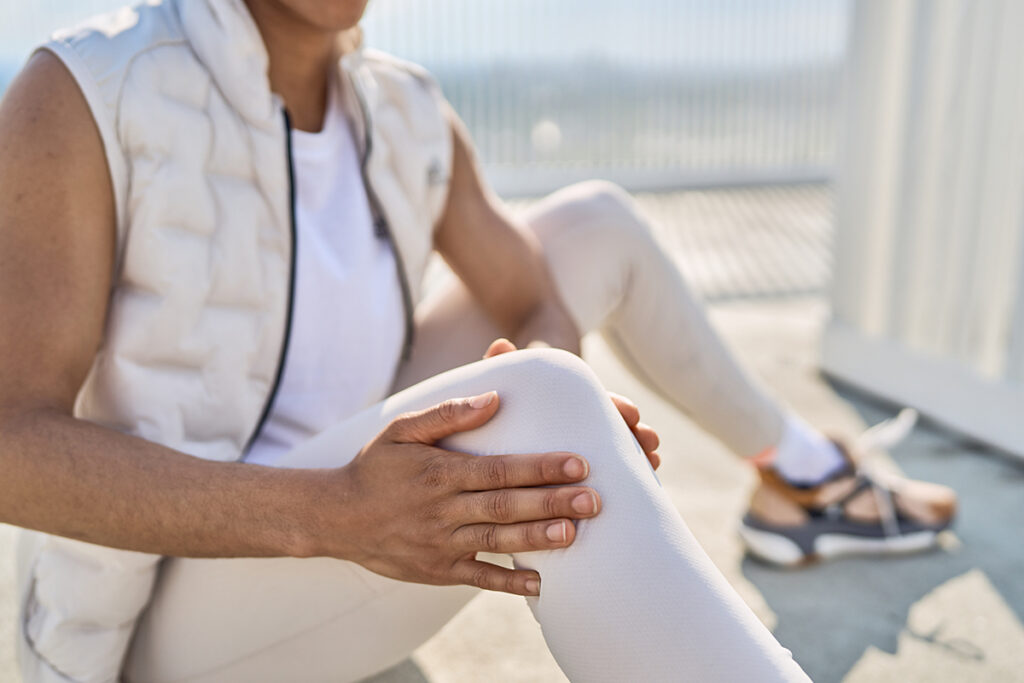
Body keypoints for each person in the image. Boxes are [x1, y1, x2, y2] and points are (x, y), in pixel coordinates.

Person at [0, 0, 955, 680]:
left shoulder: (401, 106)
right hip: (167, 602)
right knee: (534, 411)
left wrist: (562, 388)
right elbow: (11, 442)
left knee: (590, 231)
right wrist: (336, 512)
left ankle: (800, 472)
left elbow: (532, 292)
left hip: (350, 489)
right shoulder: (88, 89)